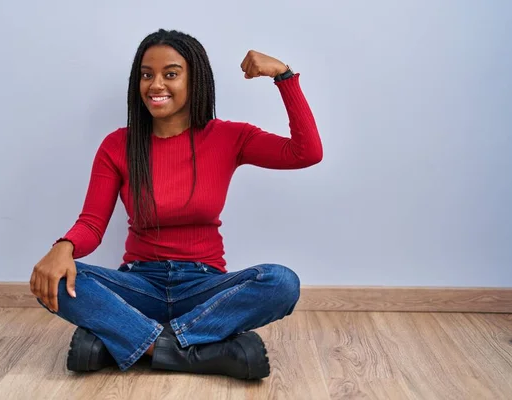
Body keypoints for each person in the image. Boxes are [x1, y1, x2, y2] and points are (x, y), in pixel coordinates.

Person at [29, 28, 323, 380]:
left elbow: (306, 153)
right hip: (140, 284)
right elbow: (92, 224)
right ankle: (197, 350)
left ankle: (128, 342)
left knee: (281, 282)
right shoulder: (117, 145)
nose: (155, 85)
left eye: (170, 74)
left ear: (194, 79)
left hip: (203, 287)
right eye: (146, 74)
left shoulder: (229, 137)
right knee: (56, 279)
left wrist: (284, 76)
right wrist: (65, 246)